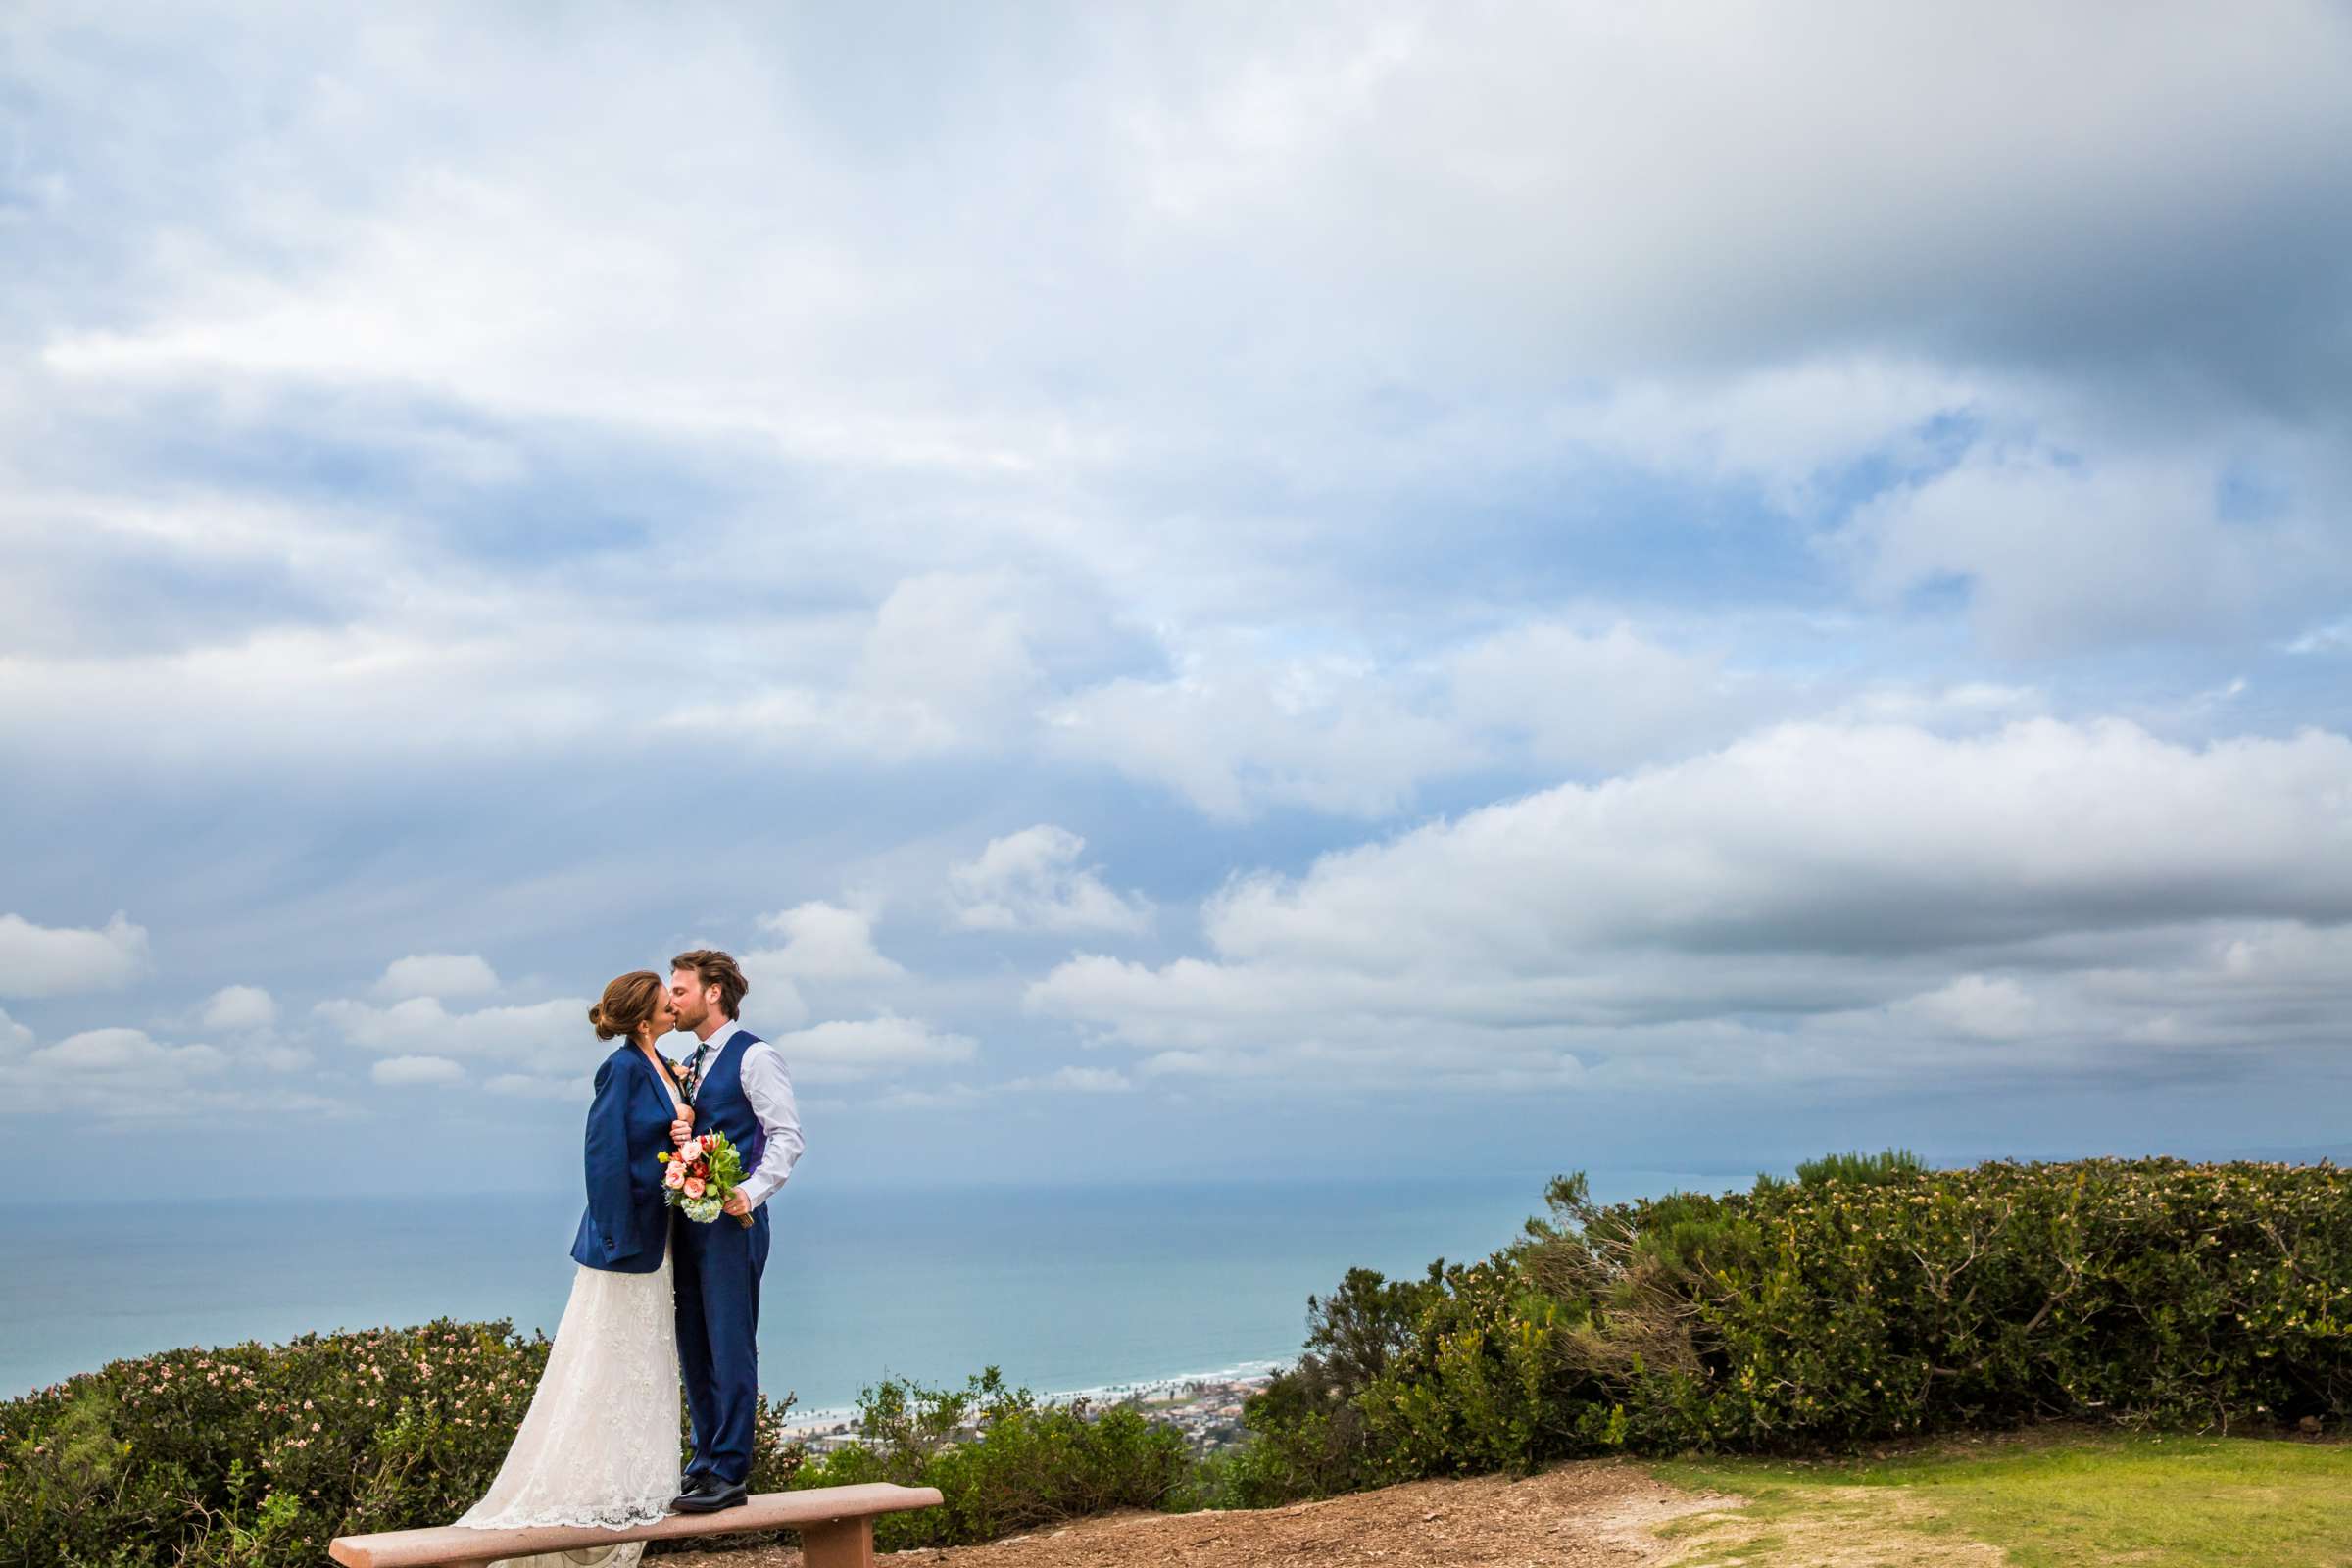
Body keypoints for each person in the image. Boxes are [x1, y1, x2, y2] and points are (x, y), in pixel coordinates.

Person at [451, 970, 693, 1567]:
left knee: (640, 1362)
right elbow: (603, 1152)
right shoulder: (623, 1069)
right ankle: (578, 1497)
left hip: (656, 1240)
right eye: (668, 1004)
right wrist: (616, 1235)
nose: (674, 1009)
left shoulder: (662, 1062)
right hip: (626, 1241)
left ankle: (627, 1485)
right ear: (644, 1020)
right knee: (604, 1360)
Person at [664, 948, 805, 1513]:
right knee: (694, 1343)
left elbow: (786, 1136)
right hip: (687, 1221)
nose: (671, 1000)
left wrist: (750, 1190)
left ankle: (730, 1471)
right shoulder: (690, 1060)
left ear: (713, 992)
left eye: (679, 990)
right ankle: (703, 1464)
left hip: (735, 1220)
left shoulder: (756, 1057)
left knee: (729, 1340)